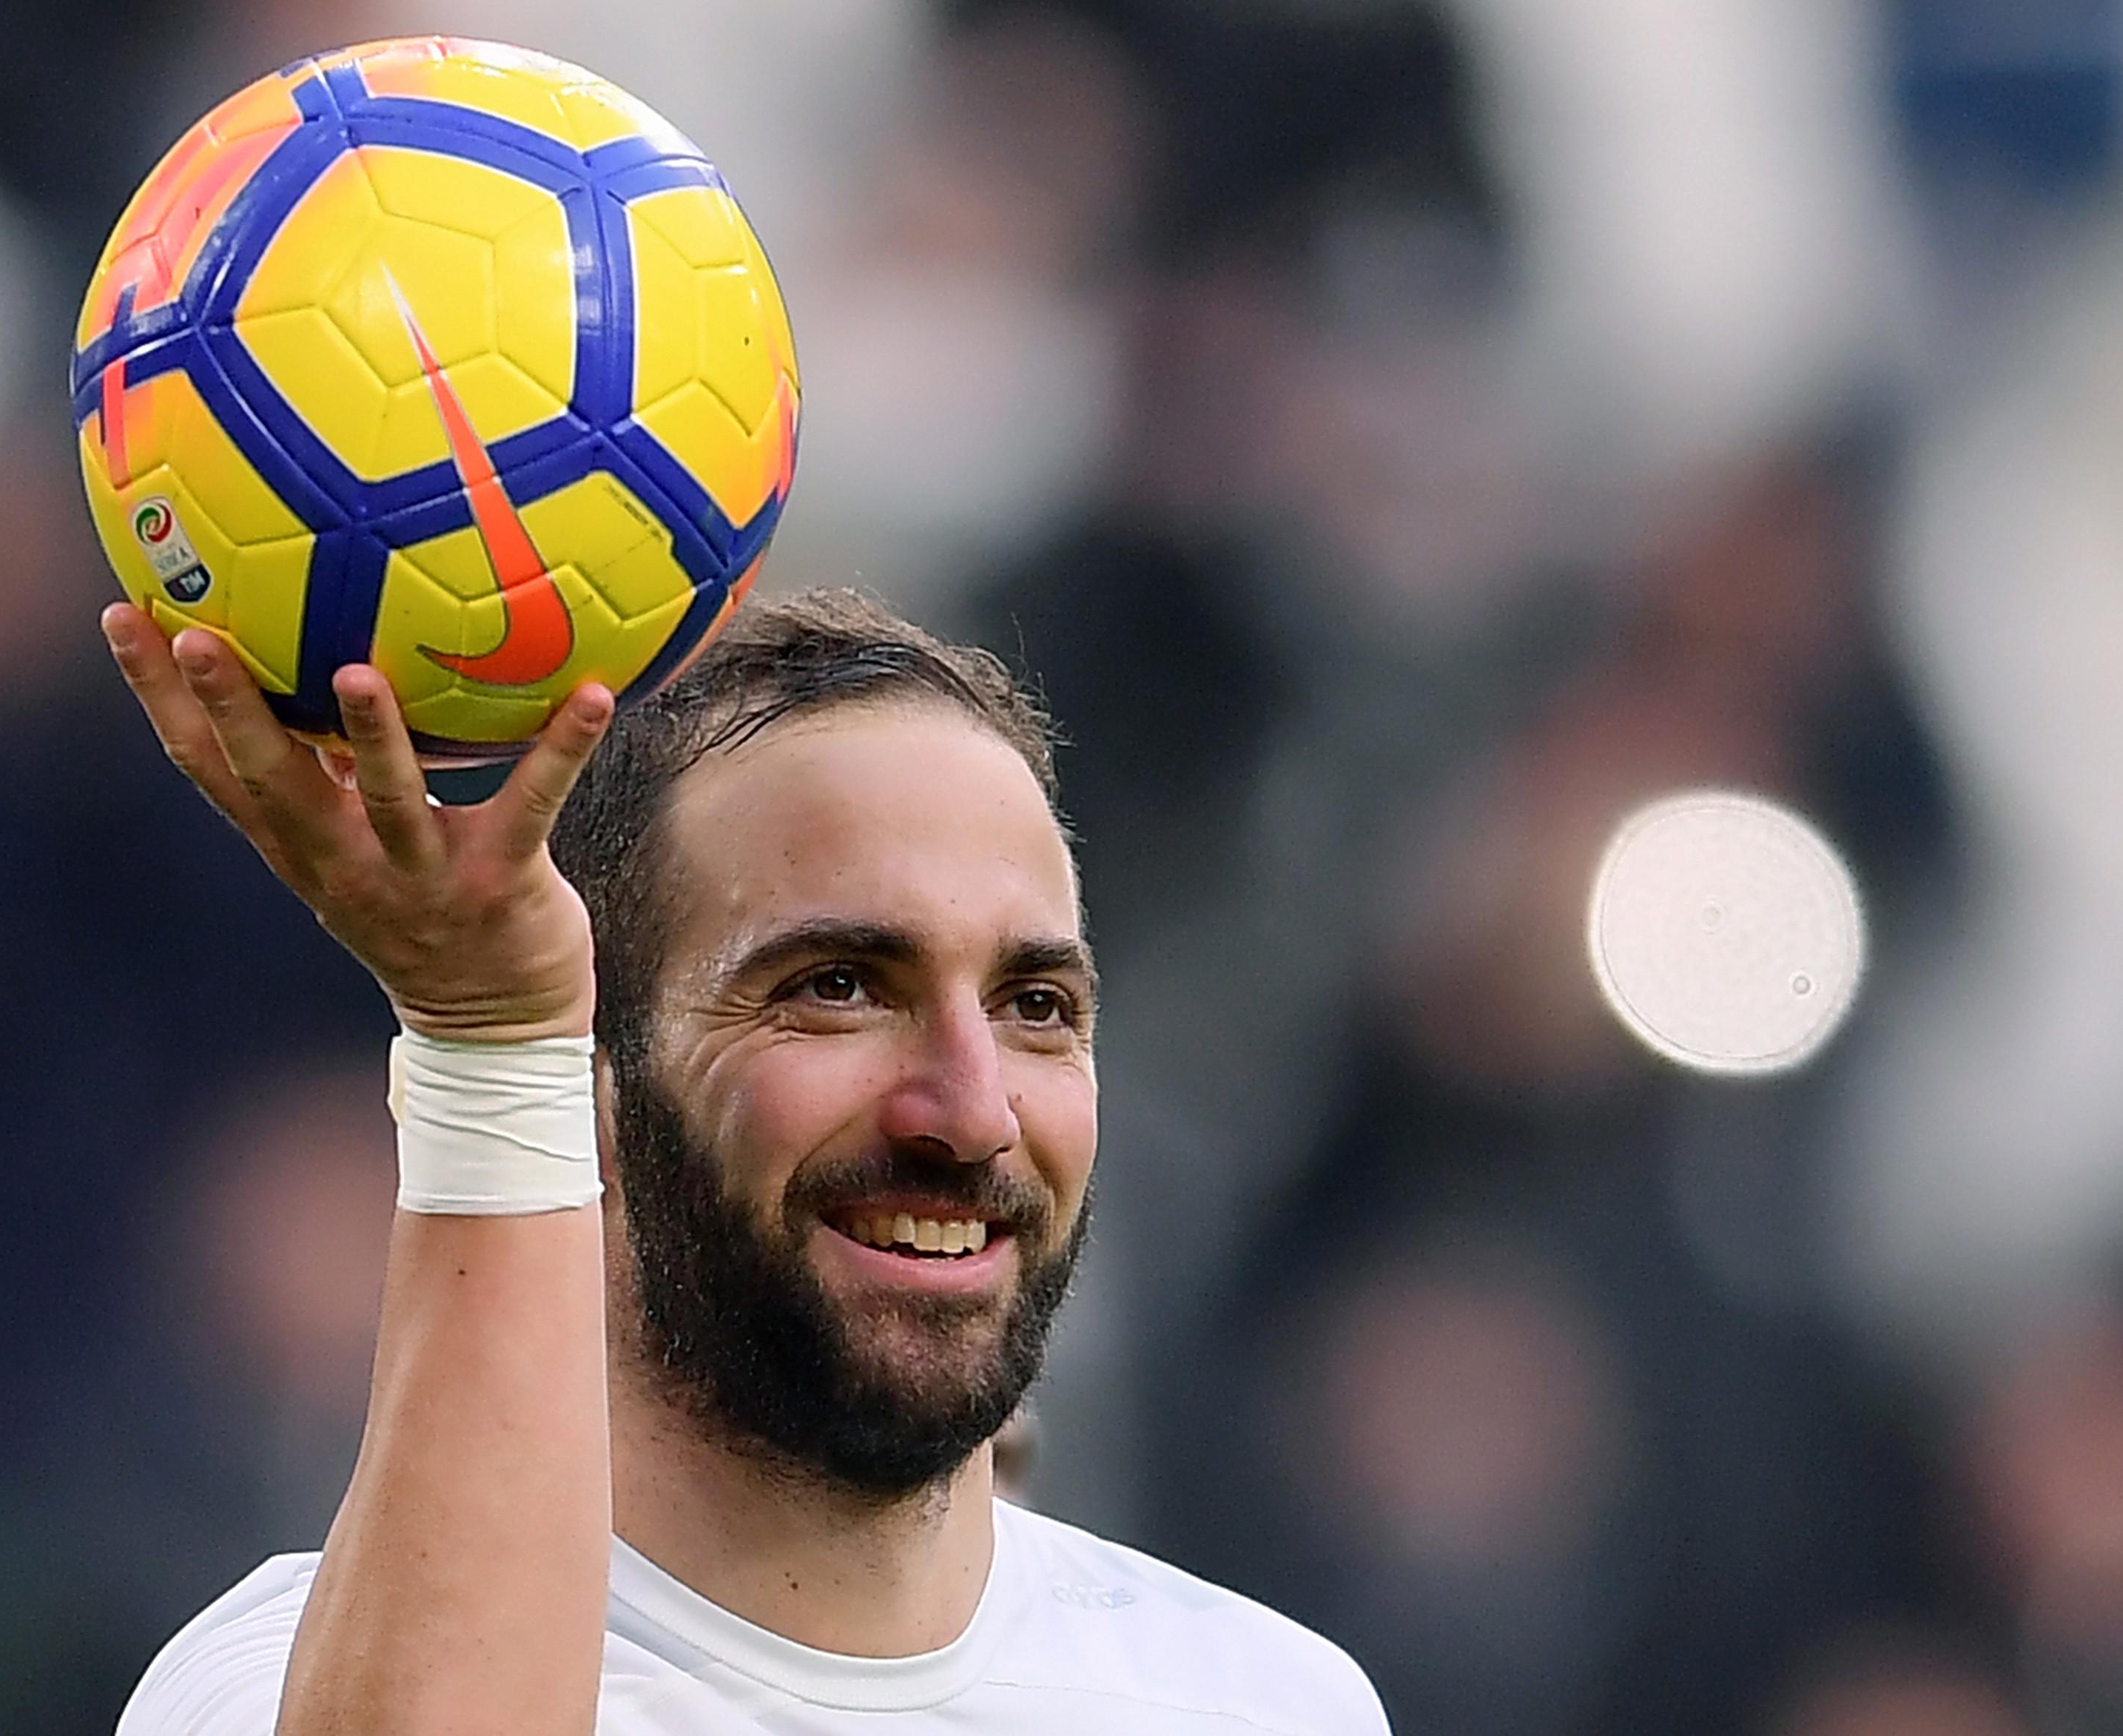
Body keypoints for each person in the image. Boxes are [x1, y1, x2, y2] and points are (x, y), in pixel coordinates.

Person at [97, 587, 1390, 1735]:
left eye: (1036, 1005)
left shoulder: (1265, 1701)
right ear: (591, 1083)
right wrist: (487, 1040)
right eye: (837, 986)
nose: (973, 1109)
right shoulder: (276, 1686)